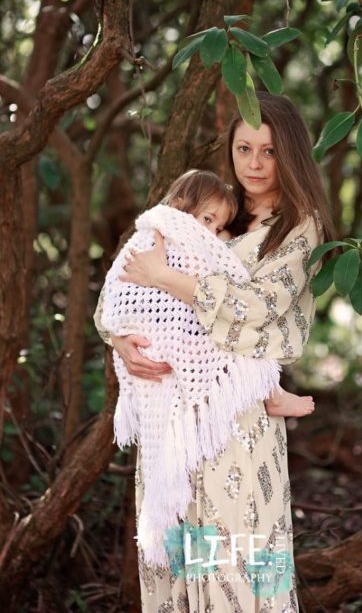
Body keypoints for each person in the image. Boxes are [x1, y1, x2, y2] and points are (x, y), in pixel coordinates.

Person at [95, 91, 335, 612]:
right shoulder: (206, 213)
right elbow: (125, 282)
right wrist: (120, 339)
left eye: (268, 151)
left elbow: (253, 307)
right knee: (182, 559)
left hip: (236, 423)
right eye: (243, 148)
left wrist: (168, 278)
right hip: (172, 421)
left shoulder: (298, 227)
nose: (254, 163)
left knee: (243, 558)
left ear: (289, 154)